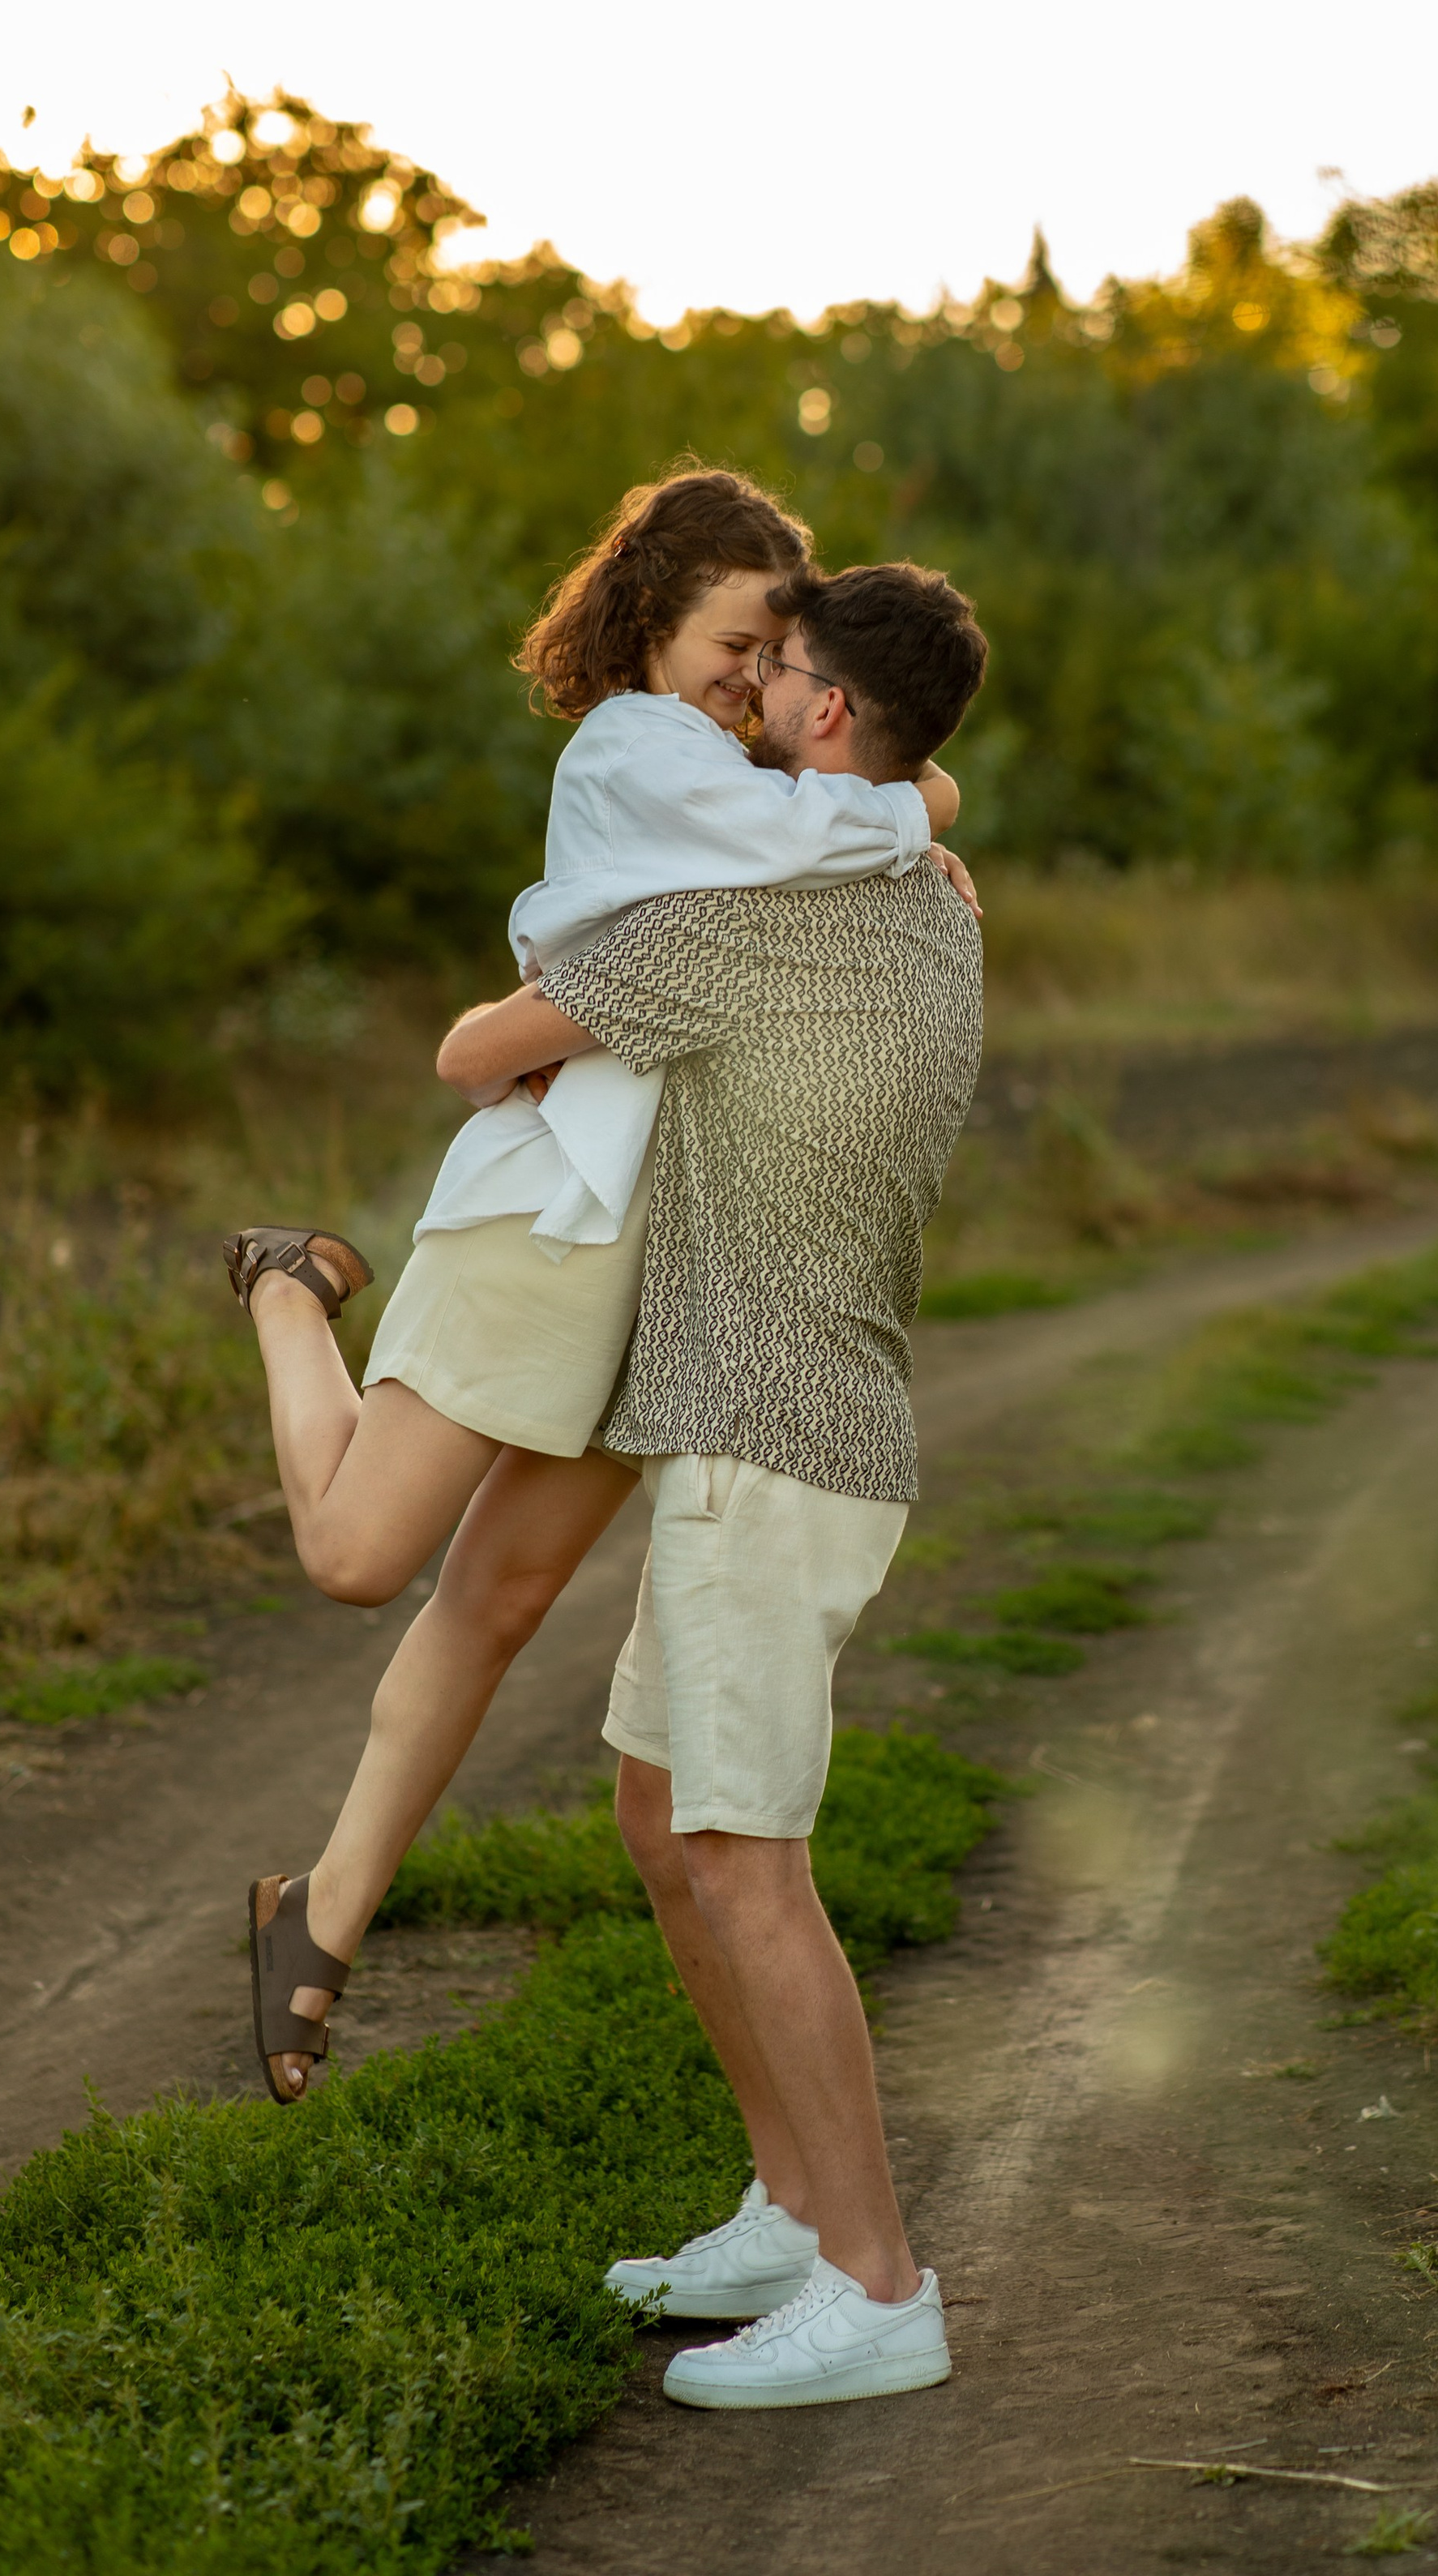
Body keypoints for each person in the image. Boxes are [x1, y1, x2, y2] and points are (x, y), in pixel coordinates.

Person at [229, 468, 970, 2103]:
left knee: (493, 1603)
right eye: (731, 636)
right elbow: (819, 829)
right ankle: (289, 1290)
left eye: (776, 641)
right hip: (548, 1201)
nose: (750, 671)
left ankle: (320, 1921)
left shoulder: (734, 763)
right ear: (653, 627)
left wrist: (897, 830)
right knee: (360, 1557)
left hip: (655, 1247)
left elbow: (824, 834)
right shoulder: (637, 749)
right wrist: (918, 819)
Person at [432, 557, 986, 2408]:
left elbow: (473, 1053)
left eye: (774, 675)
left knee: (746, 1861)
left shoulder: (731, 930)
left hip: (772, 1436)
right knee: (668, 1833)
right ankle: (790, 2209)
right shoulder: (927, 896)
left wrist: (578, 948)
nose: (737, 702)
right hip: (769, 1430)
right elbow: (887, 830)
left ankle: (879, 2287)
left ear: (826, 714)